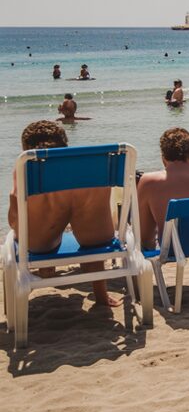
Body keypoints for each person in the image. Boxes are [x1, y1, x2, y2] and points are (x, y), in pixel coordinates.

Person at [8, 121, 121, 307]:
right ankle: (100, 294)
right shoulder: (92, 167)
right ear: (64, 145)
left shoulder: (24, 170)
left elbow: (13, 220)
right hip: (98, 240)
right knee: (87, 219)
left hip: (39, 245)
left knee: (41, 221)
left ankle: (45, 270)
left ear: (27, 150)